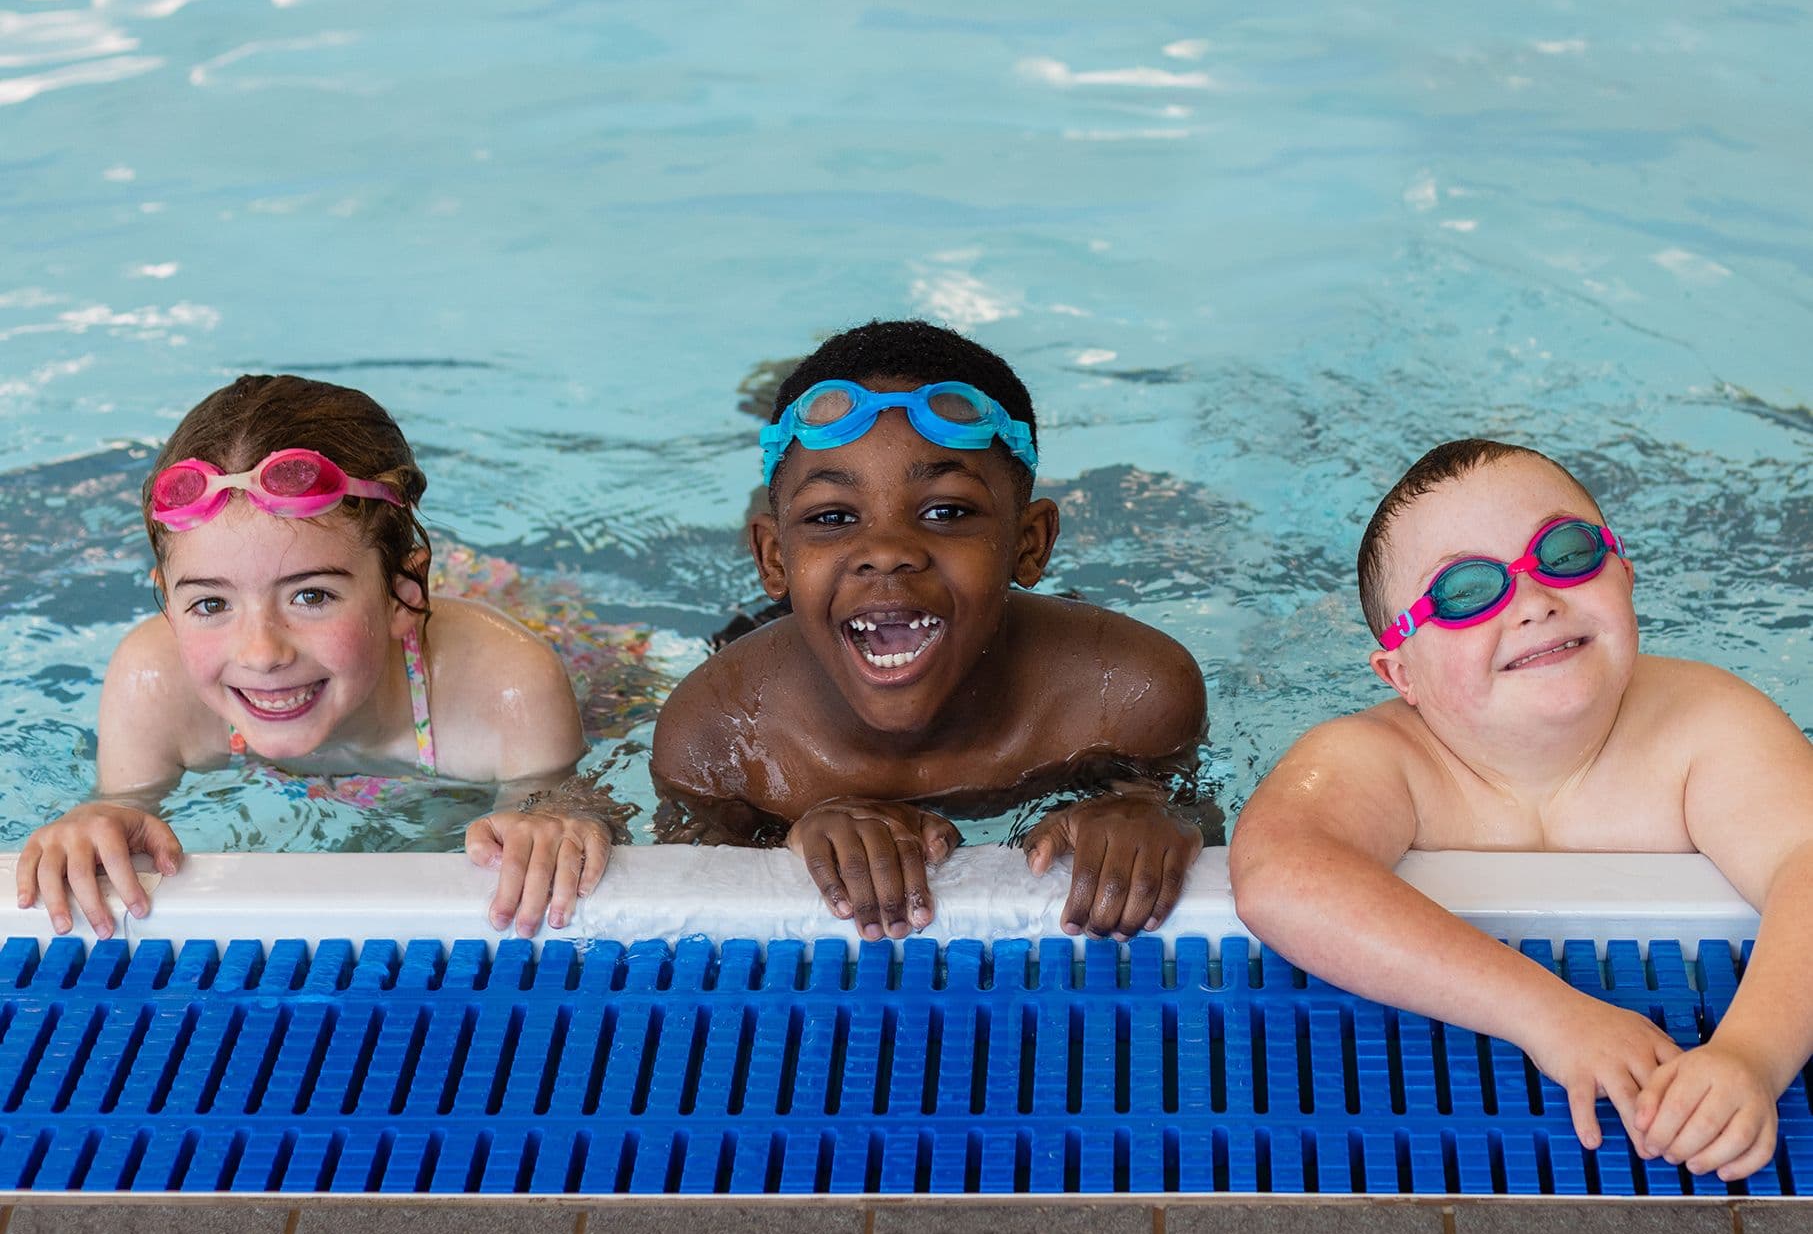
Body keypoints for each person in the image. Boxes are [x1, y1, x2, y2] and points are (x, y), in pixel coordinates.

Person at [1231, 437, 1813, 1183]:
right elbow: (1278, 879)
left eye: (1565, 551)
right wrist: (1550, 1014)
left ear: (1626, 574)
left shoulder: (1704, 723)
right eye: (1466, 592)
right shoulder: (1380, 760)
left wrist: (1750, 1054)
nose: (1534, 600)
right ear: (1399, 670)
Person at [651, 319, 1208, 941]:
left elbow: (1188, 812)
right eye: (832, 517)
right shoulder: (721, 731)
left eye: (946, 511)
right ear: (773, 560)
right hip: (803, 634)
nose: (886, 551)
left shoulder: (1127, 692)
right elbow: (689, 890)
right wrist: (791, 837)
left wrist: (1151, 815)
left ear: (1030, 544)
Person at [19, 374, 618, 940]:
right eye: (209, 604)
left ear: (403, 596)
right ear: (169, 607)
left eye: (312, 595)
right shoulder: (153, 680)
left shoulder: (506, 683)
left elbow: (547, 811)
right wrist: (95, 820)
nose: (262, 653)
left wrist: (549, 817)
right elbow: (121, 807)